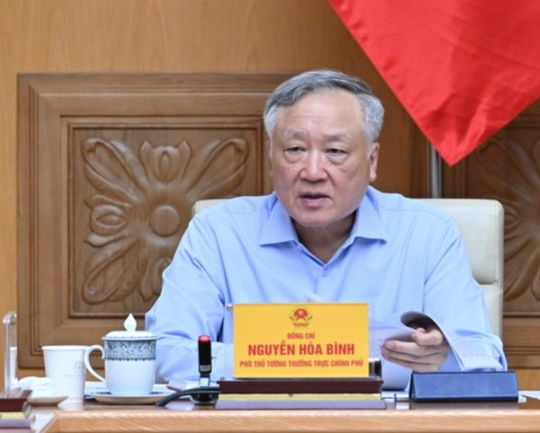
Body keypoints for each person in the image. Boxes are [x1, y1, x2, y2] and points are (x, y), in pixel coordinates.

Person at [145, 69, 506, 388]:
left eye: (335, 151)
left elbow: (484, 360)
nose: (313, 171)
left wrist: (443, 357)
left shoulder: (427, 234)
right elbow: (164, 353)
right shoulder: (218, 233)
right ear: (271, 156)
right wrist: (295, 356)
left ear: (372, 160)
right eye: (295, 149)